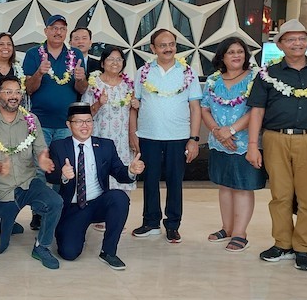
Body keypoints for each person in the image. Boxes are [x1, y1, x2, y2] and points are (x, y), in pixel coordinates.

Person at [247, 20, 307, 272]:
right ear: (280, 45)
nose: (297, 43)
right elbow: (257, 110)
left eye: (302, 38)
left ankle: (304, 248)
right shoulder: (267, 74)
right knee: (280, 195)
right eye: (290, 39)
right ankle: (282, 244)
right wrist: (252, 145)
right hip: (275, 138)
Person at [0, 76, 63, 269]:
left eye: (17, 92)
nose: (14, 96)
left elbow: (40, 148)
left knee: (55, 202)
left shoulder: (31, 120)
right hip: (3, 189)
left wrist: (43, 159)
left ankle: (42, 247)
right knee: (0, 247)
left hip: (28, 181)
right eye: (8, 92)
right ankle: (9, 223)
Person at [46, 103, 145, 270]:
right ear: (69, 125)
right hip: (72, 207)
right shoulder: (59, 146)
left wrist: (130, 170)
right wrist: (63, 175)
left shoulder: (105, 145)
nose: (84, 126)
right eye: (79, 122)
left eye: (88, 121)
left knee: (119, 197)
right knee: (69, 253)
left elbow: (119, 173)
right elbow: (50, 176)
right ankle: (75, 231)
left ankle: (108, 251)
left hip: (98, 203)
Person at [130, 29, 201, 243]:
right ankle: (150, 222)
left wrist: (194, 139)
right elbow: (134, 106)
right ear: (153, 48)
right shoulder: (143, 72)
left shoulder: (188, 72)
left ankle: (173, 225)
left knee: (174, 181)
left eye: (171, 44)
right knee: (149, 181)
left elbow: (195, 108)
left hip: (178, 136)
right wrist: (133, 134)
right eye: (162, 45)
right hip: (148, 135)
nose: (168, 48)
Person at [201, 37, 265, 252]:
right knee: (225, 185)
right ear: (222, 57)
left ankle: (240, 233)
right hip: (219, 142)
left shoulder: (255, 78)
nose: (236, 55)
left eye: (240, 51)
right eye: (231, 52)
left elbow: (255, 109)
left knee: (242, 187)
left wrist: (232, 130)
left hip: (245, 142)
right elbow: (204, 109)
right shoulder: (213, 80)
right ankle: (226, 228)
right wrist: (218, 132)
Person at [23, 14, 86, 230]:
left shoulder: (75, 54)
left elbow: (82, 90)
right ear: (46, 31)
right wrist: (40, 72)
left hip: (66, 124)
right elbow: (29, 89)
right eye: (54, 28)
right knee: (40, 170)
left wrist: (80, 78)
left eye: (62, 28)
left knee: (62, 169)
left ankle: (57, 211)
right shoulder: (34, 54)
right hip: (40, 123)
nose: (58, 32)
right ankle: (39, 212)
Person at [82, 47, 137, 231]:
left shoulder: (128, 85)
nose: (115, 63)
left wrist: (132, 134)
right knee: (100, 173)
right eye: (111, 59)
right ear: (103, 62)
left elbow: (132, 113)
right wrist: (99, 103)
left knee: (121, 173)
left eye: (119, 59)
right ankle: (100, 214)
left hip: (121, 138)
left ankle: (118, 215)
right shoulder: (94, 84)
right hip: (100, 135)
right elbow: (85, 113)